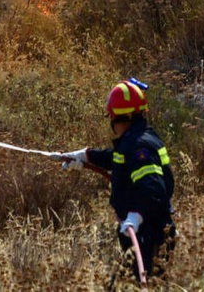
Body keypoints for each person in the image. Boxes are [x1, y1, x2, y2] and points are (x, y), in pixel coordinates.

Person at [53, 78, 176, 282]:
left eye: (111, 117)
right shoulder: (137, 139)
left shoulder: (139, 146)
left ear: (122, 118)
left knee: (133, 284)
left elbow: (154, 189)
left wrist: (136, 216)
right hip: (144, 231)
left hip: (149, 233)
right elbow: (118, 159)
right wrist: (85, 156)